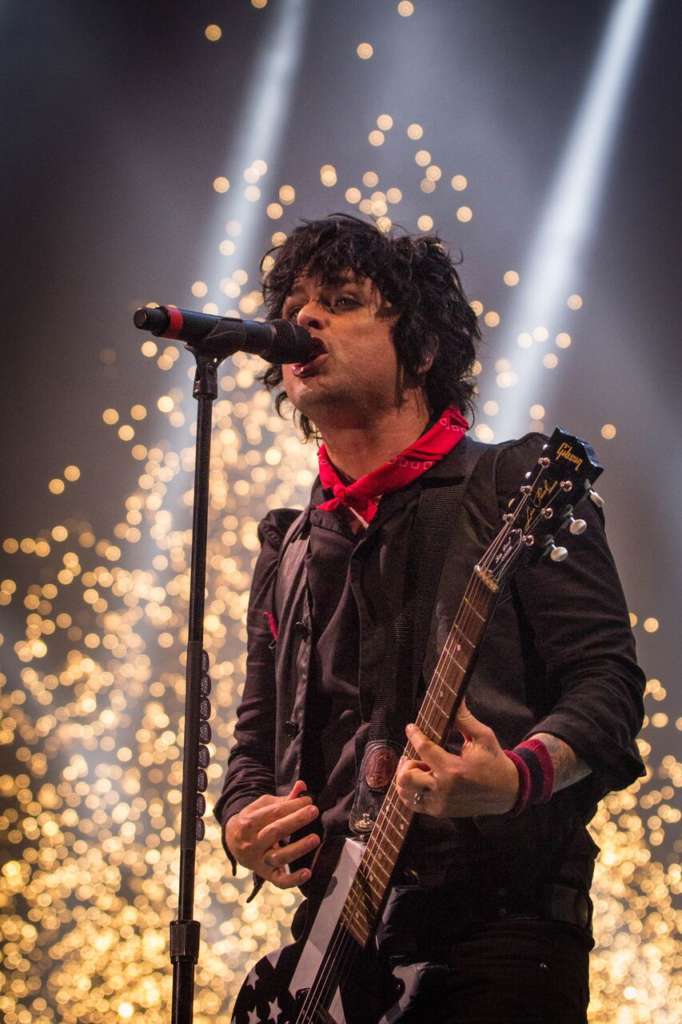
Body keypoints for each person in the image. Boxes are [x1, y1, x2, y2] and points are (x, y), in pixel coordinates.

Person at [214, 214, 645, 1023]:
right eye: (296, 307)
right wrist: (242, 819)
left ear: (420, 350)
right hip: (334, 948)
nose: (306, 320)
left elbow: (609, 686)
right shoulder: (291, 545)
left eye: (342, 301)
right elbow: (254, 739)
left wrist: (517, 777)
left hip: (499, 930)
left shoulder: (516, 487)